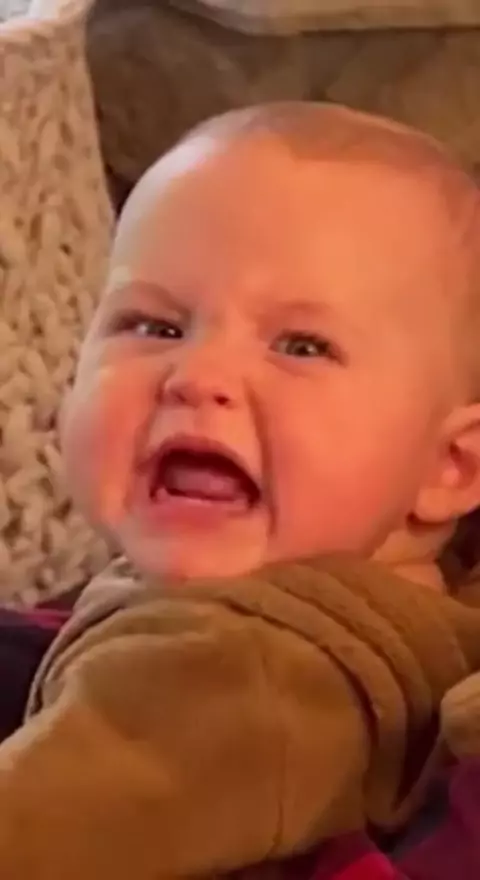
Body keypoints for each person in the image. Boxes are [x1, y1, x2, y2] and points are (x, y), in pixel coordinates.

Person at [2, 101, 480, 879]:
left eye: (302, 346)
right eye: (154, 326)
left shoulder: (229, 672)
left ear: (450, 467)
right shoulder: (385, 605)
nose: (197, 376)